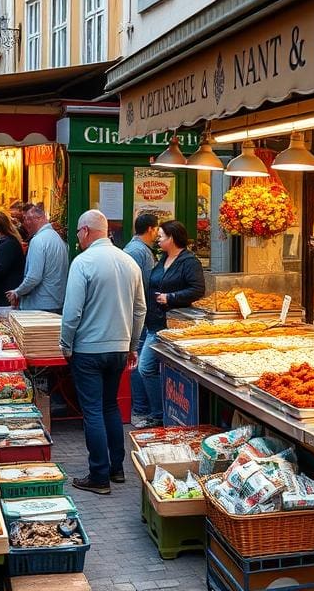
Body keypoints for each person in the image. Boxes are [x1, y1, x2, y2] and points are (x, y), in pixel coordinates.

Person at [61, 210, 145, 495]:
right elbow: (140, 309)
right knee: (110, 406)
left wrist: (65, 343)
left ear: (85, 231)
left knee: (93, 410)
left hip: (88, 349)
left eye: (77, 233)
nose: (77, 238)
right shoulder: (129, 262)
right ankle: (117, 468)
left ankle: (98, 475)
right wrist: (133, 344)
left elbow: (72, 312)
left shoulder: (83, 263)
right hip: (119, 348)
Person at [138, 221, 206, 425]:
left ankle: (160, 414)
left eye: (162, 236)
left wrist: (171, 297)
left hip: (175, 326)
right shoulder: (163, 259)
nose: (158, 239)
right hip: (155, 323)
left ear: (173, 238)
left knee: (145, 367)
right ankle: (161, 412)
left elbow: (197, 289)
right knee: (150, 368)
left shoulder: (189, 262)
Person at [122, 213, 158, 427]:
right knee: (138, 363)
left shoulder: (136, 249)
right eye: (157, 230)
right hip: (140, 315)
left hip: (139, 314)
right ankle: (141, 410)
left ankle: (141, 409)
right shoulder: (138, 251)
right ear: (151, 229)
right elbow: (138, 287)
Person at [8, 203, 68, 313]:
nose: (25, 223)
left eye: (28, 219)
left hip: (39, 305)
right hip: (55, 302)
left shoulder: (38, 240)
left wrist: (17, 292)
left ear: (40, 218)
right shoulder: (57, 238)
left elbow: (33, 277)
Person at [0, 211, 25, 310]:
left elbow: (2, 269)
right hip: (3, 294)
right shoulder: (6, 242)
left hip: (5, 296)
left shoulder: (8, 244)